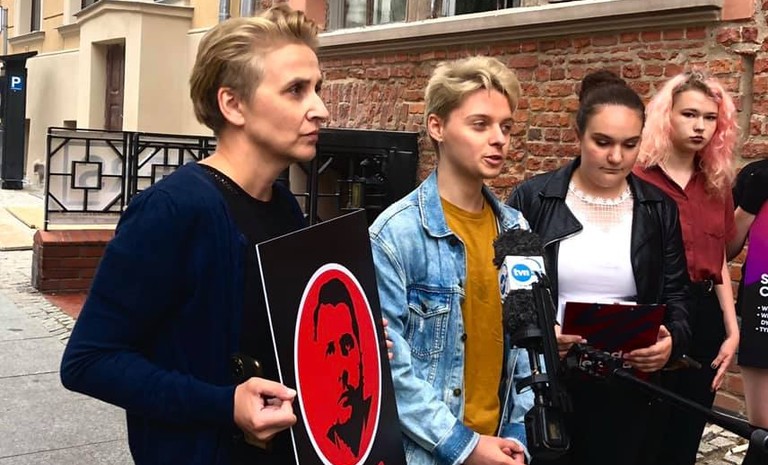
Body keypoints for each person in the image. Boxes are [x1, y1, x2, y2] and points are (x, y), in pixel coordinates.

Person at [60, 5, 328, 464]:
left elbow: (279, 333)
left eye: (318, 88)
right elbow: (89, 361)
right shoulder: (173, 210)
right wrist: (225, 405)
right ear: (233, 104)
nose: (320, 109)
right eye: (296, 90)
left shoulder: (284, 206)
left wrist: (345, 338)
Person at [506, 70, 691, 465]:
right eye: (602, 142)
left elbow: (677, 295)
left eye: (630, 144)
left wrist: (671, 342)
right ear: (579, 135)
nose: (616, 157)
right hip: (549, 383)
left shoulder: (658, 208)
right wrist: (541, 335)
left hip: (629, 385)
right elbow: (503, 292)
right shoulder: (533, 199)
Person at [369, 56, 533, 465]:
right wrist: (466, 446)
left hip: (503, 447)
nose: (498, 139)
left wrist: (518, 436)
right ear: (437, 127)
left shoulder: (516, 229)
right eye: (480, 125)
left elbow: (529, 349)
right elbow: (389, 367)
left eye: (506, 127)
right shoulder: (395, 235)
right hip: (429, 451)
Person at [634, 71, 740, 465]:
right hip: (655, 308)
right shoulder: (638, 177)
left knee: (689, 424)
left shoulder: (717, 182)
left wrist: (732, 328)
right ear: (668, 116)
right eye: (689, 114)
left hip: (705, 314)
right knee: (645, 425)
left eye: (710, 118)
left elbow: (718, 259)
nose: (700, 126)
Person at [727, 158, 768, 434]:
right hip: (762, 313)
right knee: (762, 435)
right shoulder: (757, 175)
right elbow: (724, 250)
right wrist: (748, 206)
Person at [312, 278, 373, 460]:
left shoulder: (379, 422)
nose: (343, 372)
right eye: (330, 350)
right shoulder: (326, 442)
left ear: (361, 349)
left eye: (347, 345)